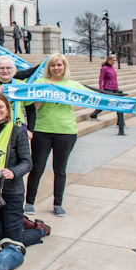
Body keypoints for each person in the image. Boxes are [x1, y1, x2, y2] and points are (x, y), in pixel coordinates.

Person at [0, 93, 49, 247]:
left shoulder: (17, 132)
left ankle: (40, 229)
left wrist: (13, 172)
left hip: (12, 191)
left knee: (13, 242)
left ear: (7, 110)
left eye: (1, 107)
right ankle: (17, 223)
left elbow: (27, 162)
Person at [25, 54, 90, 217]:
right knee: (37, 167)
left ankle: (58, 203)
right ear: (48, 68)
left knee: (60, 169)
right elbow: (34, 107)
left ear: (64, 67)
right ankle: (29, 202)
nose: (56, 68)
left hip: (66, 131)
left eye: (59, 65)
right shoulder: (40, 83)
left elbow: (92, 99)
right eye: (53, 65)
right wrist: (42, 92)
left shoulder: (72, 85)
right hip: (42, 130)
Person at [0, 55, 36, 132]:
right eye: (1, 68)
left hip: (18, 126)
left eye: (8, 68)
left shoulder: (22, 85)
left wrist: (30, 130)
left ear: (13, 70)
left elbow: (30, 109)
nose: (5, 71)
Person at [90, 54, 119, 120]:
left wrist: (117, 87)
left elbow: (115, 79)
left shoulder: (113, 68)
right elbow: (101, 80)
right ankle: (93, 115)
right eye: (112, 60)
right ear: (109, 60)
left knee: (118, 104)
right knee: (105, 103)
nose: (114, 62)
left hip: (115, 88)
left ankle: (120, 122)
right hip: (108, 88)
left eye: (115, 60)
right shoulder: (104, 68)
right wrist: (102, 90)